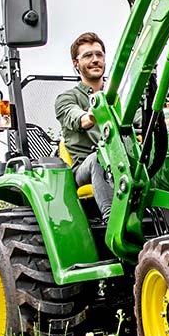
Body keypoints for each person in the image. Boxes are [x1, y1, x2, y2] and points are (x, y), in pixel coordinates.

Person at [55, 32, 114, 221]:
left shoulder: (120, 95)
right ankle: (112, 219)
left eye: (99, 55)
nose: (95, 60)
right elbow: (80, 119)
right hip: (86, 168)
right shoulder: (67, 99)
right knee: (101, 156)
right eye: (88, 56)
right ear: (76, 64)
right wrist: (95, 112)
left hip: (127, 160)